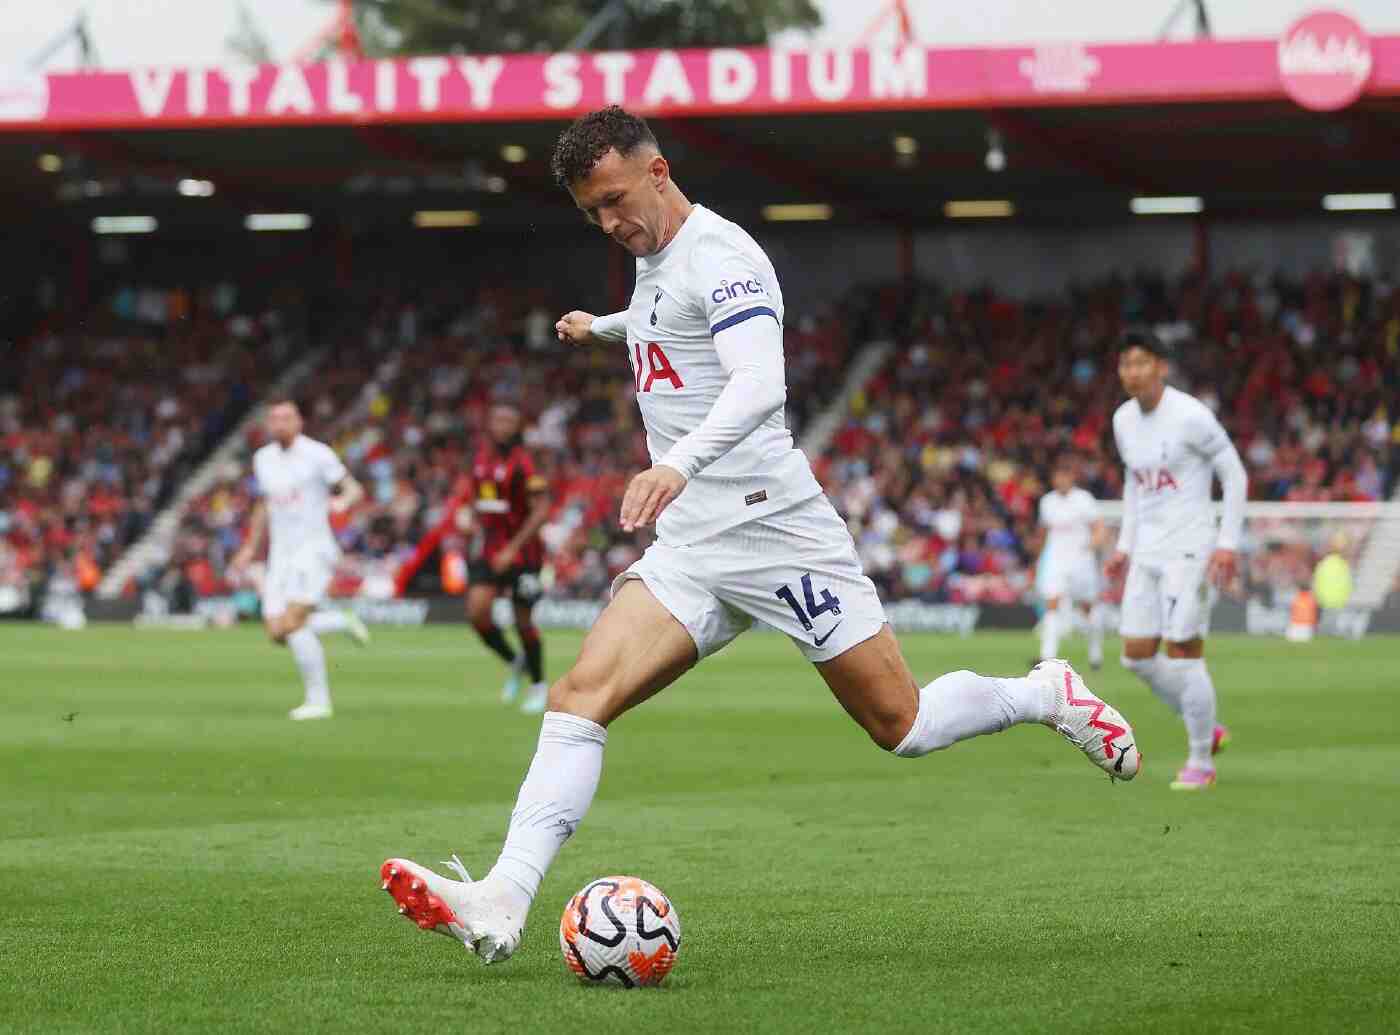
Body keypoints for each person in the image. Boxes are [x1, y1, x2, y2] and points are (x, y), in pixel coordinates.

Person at [378, 106, 1140, 962]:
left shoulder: (726, 256)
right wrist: (604, 326)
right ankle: (502, 899)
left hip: (776, 530)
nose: (610, 222)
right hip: (695, 548)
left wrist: (680, 464)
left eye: (617, 199)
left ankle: (1044, 693)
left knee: (904, 723)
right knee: (578, 698)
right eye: (593, 212)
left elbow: (757, 381)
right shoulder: (652, 260)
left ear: (658, 170)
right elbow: (669, 323)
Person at [1105, 328, 1244, 790]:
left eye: (1142, 362)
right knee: (1135, 656)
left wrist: (1227, 542)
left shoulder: (1190, 416)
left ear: (1161, 367)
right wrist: (1124, 547)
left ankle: (1202, 760)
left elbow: (1234, 473)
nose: (1133, 371)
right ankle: (1205, 721)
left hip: (1191, 548)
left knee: (1183, 653)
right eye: (1126, 363)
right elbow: (1134, 485)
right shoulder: (1123, 420)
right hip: (1147, 550)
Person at [231, 400, 368, 720]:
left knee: (293, 624)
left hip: (313, 549)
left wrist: (341, 502)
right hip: (280, 554)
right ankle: (339, 621)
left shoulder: (318, 453)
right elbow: (264, 505)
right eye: (274, 418)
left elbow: (354, 489)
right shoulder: (262, 459)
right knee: (276, 631)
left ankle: (318, 701)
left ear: (299, 421)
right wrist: (250, 547)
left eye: (286, 418)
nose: (280, 423)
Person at [460, 401, 552, 713]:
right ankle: (517, 663)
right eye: (497, 419)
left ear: (518, 426)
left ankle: (539, 685)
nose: (502, 425)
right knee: (477, 613)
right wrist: (472, 520)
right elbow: (480, 497)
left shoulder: (526, 462)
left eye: (508, 420)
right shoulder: (479, 459)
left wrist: (513, 548)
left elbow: (541, 509)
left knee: (522, 620)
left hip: (523, 554)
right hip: (489, 549)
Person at [1034, 455, 1107, 669]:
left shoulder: (1084, 499)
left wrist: (1092, 545)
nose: (1060, 480)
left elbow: (1099, 527)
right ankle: (1047, 657)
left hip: (1081, 562)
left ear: (1071, 478)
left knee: (1088, 608)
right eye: (1057, 476)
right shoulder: (1047, 502)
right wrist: (1039, 559)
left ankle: (1095, 653)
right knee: (1052, 603)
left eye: (1064, 476)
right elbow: (1044, 532)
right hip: (1056, 561)